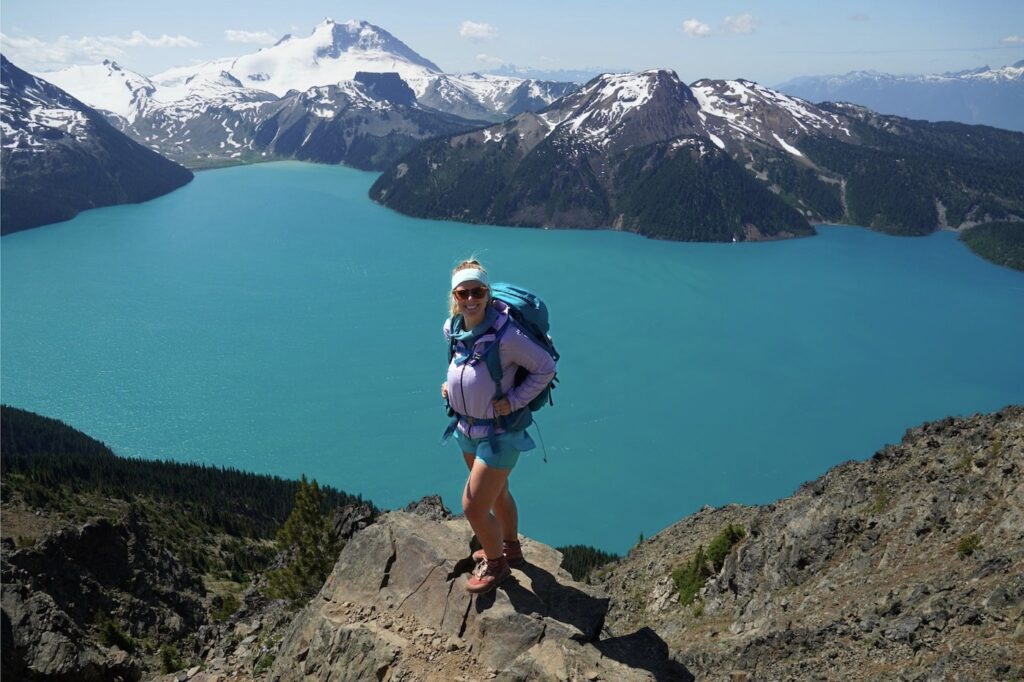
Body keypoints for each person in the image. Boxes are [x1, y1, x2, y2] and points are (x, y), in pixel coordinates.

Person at [441, 259, 556, 594]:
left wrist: (517, 399)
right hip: (466, 430)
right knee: (498, 494)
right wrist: (450, 387)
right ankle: (510, 547)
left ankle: (497, 565)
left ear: (487, 293)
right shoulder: (453, 328)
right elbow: (462, 366)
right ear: (455, 296)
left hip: (500, 434)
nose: (471, 298)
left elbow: (545, 367)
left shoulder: (506, 335)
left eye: (477, 291)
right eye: (464, 293)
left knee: (473, 507)